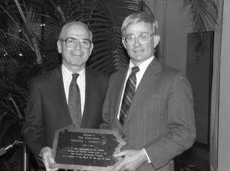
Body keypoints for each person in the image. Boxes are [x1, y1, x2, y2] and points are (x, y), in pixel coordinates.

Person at [101, 12, 196, 171]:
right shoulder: (115, 79)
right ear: (124, 44)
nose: (136, 43)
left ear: (156, 40)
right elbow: (106, 123)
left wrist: (144, 155)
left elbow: (185, 132)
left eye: (143, 36)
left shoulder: (174, 79)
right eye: (130, 37)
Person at [24, 21, 108, 171]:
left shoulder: (105, 83)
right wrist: (43, 150)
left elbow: (108, 124)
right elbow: (32, 129)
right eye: (71, 41)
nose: (78, 48)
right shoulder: (40, 85)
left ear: (91, 48)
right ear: (59, 46)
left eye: (84, 42)